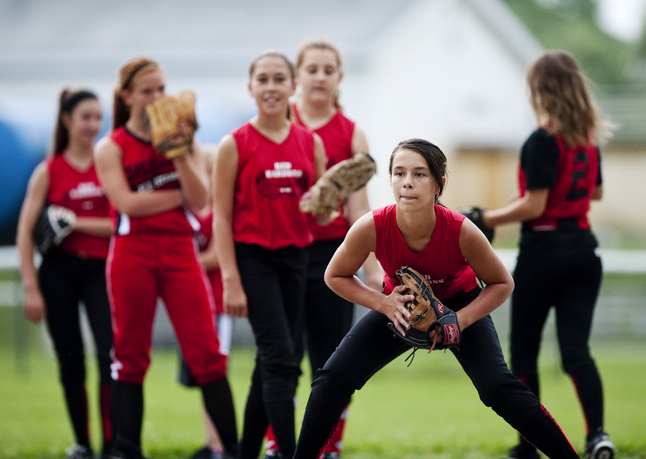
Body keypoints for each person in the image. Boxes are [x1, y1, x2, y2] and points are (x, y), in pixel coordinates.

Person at [291, 138, 582, 459]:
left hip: (460, 303)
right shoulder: (371, 227)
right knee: (331, 380)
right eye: (399, 173)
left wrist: (461, 319)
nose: (407, 183)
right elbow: (334, 276)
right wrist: (384, 304)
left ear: (438, 184)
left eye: (420, 174)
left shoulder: (462, 231)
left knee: (498, 388)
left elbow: (502, 283)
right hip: (399, 306)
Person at [94, 56, 238, 459]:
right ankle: (127, 449)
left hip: (180, 251)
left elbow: (203, 201)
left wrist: (176, 152)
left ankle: (231, 449)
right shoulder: (111, 146)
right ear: (127, 97)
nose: (157, 97)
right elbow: (125, 203)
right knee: (129, 356)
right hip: (132, 253)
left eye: (161, 89)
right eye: (147, 91)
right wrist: (177, 196)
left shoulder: (182, 136)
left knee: (207, 354)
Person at [479, 51, 614, 459]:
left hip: (544, 251)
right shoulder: (587, 140)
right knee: (576, 352)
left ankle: (529, 446)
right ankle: (598, 436)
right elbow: (596, 192)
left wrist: (486, 216)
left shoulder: (542, 140)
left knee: (524, 351)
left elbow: (535, 207)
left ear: (540, 89)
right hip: (583, 249)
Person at [262, 39, 383, 459]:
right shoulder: (275, 123)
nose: (319, 76)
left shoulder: (351, 132)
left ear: (339, 77)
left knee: (332, 361)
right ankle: (278, 442)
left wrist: (372, 270)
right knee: (282, 357)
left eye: (327, 69)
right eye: (311, 69)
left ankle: (329, 446)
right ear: (298, 77)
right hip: (281, 256)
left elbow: (358, 209)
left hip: (333, 258)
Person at [213, 50, 327, 459]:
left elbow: (321, 209)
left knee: (273, 359)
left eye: (280, 79)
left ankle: (247, 453)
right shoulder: (234, 144)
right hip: (253, 259)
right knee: (282, 358)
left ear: (292, 86)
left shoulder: (309, 142)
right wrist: (230, 279)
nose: (271, 87)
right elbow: (221, 218)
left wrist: (323, 201)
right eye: (263, 79)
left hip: (296, 259)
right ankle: (291, 454)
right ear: (251, 88)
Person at [16, 88, 114, 459]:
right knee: (70, 360)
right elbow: (26, 232)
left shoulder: (108, 164)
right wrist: (30, 288)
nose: (93, 125)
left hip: (100, 271)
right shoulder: (49, 170)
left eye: (98, 117)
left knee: (110, 357)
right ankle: (83, 445)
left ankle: (112, 446)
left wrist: (74, 222)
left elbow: (120, 221)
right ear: (67, 120)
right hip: (58, 272)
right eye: (85, 117)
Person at [177, 144, 235, 459]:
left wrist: (176, 265)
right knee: (202, 378)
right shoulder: (192, 212)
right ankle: (212, 441)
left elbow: (213, 255)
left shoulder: (218, 214)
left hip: (217, 306)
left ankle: (220, 444)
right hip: (194, 304)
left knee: (215, 374)